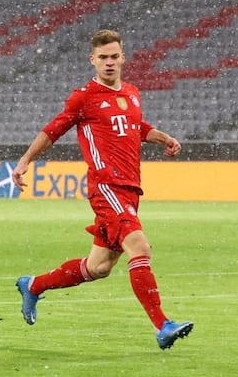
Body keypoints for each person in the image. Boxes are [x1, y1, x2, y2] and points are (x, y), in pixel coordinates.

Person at [11, 28, 194, 351]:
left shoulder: (133, 93)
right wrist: (26, 160)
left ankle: (33, 285)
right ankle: (162, 325)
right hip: (105, 186)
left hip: (130, 189)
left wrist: (163, 138)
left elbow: (137, 126)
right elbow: (54, 129)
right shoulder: (84, 97)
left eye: (114, 56)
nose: (109, 63)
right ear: (92, 60)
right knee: (140, 246)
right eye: (103, 58)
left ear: (123, 57)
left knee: (99, 267)